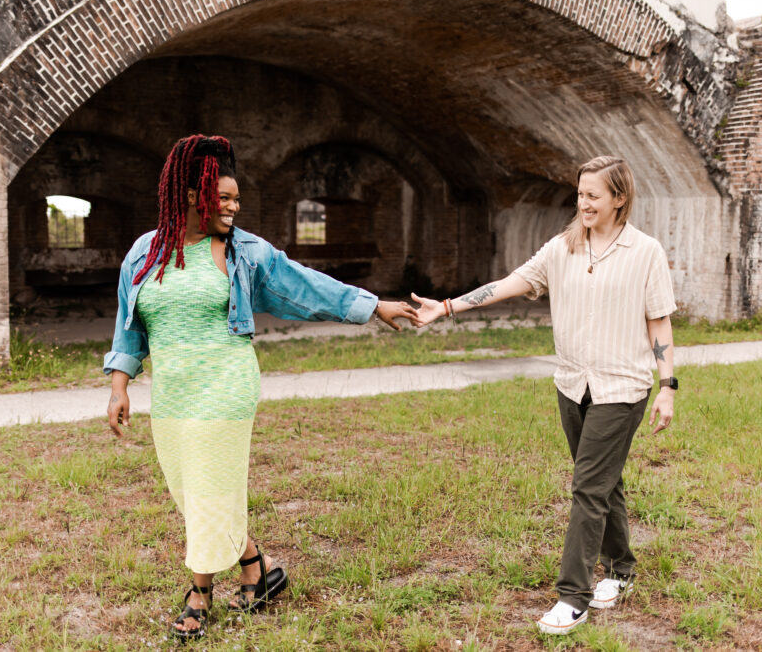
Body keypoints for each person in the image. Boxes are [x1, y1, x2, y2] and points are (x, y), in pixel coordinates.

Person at [103, 134, 417, 639]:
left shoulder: (243, 251)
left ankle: (198, 595)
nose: (232, 207)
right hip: (174, 391)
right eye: (223, 198)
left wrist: (372, 306)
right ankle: (258, 569)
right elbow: (129, 326)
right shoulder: (146, 251)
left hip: (226, 382)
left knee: (207, 485)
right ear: (190, 195)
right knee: (193, 490)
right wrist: (120, 386)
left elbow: (304, 284)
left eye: (236, 200)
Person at [411, 156, 676, 635]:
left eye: (593, 195)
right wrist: (448, 306)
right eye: (580, 194)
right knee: (603, 481)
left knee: (588, 488)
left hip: (623, 387)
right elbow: (510, 283)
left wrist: (668, 386)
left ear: (619, 198)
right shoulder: (563, 248)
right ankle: (621, 569)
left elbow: (658, 319)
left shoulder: (646, 252)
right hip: (573, 384)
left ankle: (573, 596)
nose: (583, 203)